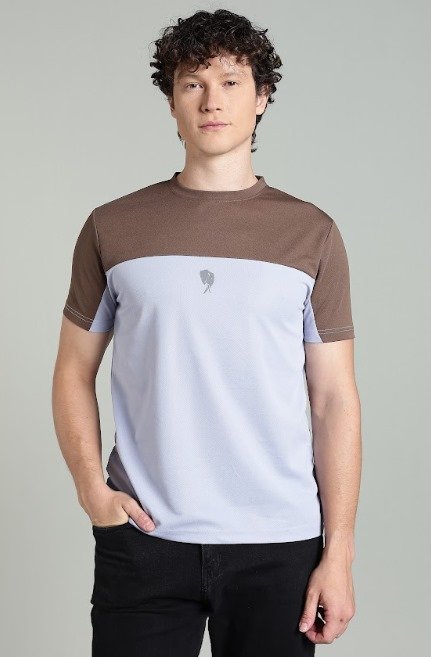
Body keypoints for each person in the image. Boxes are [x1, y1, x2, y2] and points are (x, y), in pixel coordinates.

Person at [52, 8, 361, 656]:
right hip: (143, 538)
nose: (211, 100)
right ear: (171, 101)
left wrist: (338, 552)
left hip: (277, 541)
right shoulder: (113, 226)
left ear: (262, 96)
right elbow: (73, 371)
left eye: (230, 81)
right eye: (192, 82)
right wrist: (91, 490)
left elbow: (334, 398)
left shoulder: (312, 234)